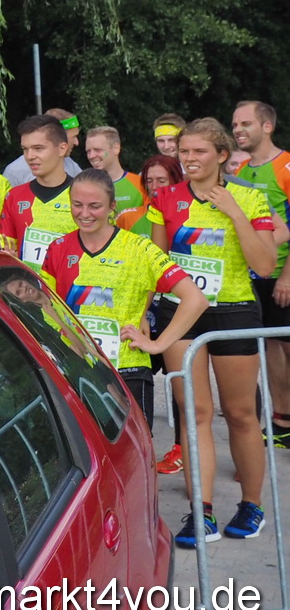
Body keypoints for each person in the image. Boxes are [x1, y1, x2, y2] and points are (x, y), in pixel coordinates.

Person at [148, 118, 278, 546]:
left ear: (222, 155)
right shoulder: (166, 197)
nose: (189, 159)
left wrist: (235, 213)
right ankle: (200, 512)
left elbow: (264, 265)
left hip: (233, 311)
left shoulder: (250, 197)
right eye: (184, 151)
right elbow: (158, 262)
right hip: (182, 312)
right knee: (194, 413)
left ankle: (251, 505)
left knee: (240, 413)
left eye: (199, 152)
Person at [39, 170, 207, 430]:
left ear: (112, 206)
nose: (84, 213)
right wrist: (68, 340)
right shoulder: (58, 248)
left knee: (135, 451)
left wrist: (158, 345)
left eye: (95, 206)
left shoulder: (140, 248)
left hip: (127, 370)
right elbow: (46, 305)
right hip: (76, 368)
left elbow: (195, 299)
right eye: (77, 204)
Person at [229, 100, 290, 448]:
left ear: (267, 126)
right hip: (255, 277)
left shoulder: (285, 166)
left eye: (246, 124)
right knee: (271, 349)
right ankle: (281, 422)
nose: (238, 130)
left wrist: (287, 277)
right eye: (235, 124)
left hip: (282, 274)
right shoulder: (242, 169)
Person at [138, 153, 189, 475]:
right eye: (149, 181)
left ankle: (182, 448)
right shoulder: (133, 215)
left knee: (179, 379)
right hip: (144, 303)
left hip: (176, 303)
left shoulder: (181, 210)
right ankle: (140, 449)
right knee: (143, 374)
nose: (155, 186)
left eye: (162, 180)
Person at [0, 113, 83, 271]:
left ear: (62, 149)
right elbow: (6, 250)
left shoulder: (83, 195)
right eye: (25, 149)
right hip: (28, 285)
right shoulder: (14, 196)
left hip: (72, 285)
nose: (30, 156)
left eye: (38, 148)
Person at [84, 125, 148, 231]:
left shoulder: (140, 184)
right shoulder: (84, 186)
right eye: (88, 151)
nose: (91, 156)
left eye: (97, 150)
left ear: (116, 148)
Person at [3, 107, 83, 186]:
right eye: (73, 136)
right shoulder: (14, 172)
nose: (76, 142)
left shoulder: (70, 164)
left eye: (38, 148)